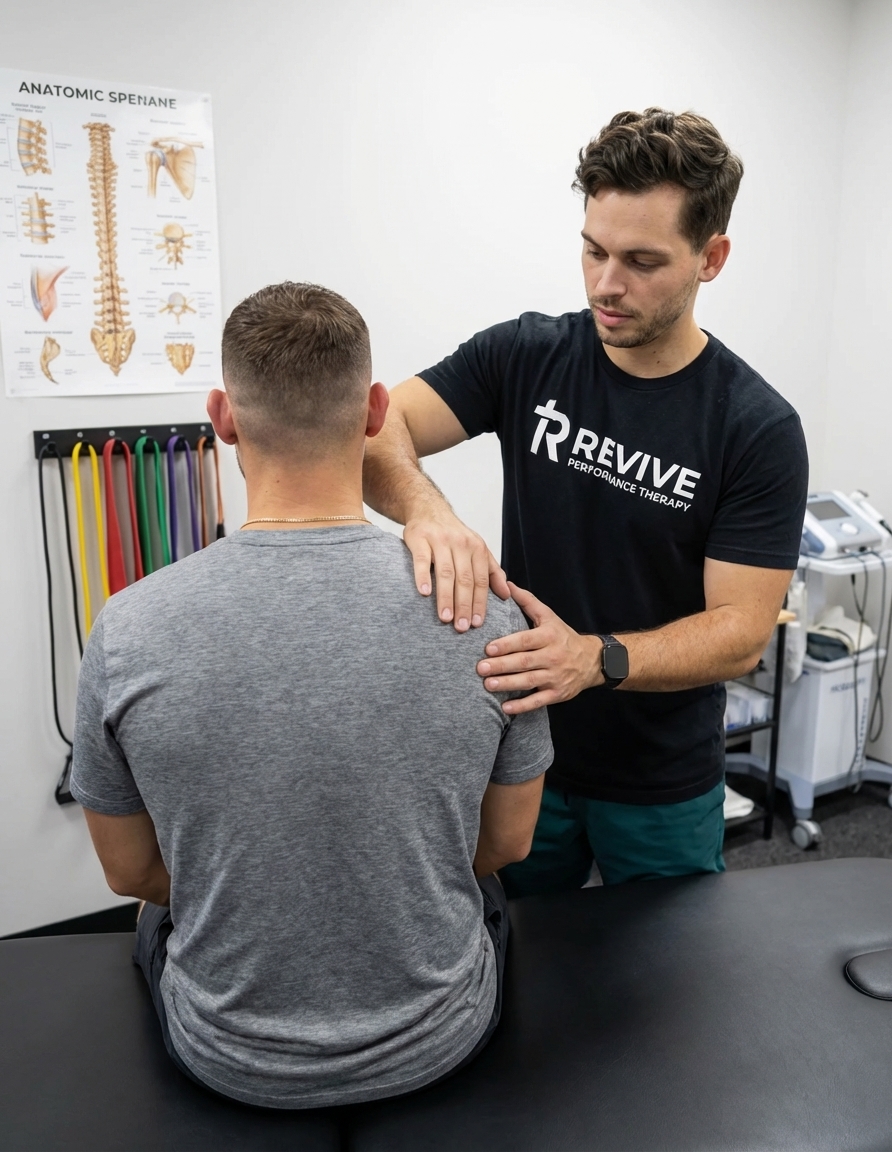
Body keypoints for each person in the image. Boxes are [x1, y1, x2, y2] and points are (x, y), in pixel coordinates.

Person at [70, 282, 552, 1109]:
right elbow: (505, 846)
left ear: (222, 418)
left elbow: (131, 872)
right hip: (440, 1037)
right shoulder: (487, 614)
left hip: (226, 1055)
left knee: (153, 925)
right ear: (374, 412)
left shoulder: (126, 628)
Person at [362, 108, 809, 895]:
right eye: (593, 250)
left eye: (641, 261)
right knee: (524, 974)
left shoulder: (753, 426)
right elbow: (374, 431)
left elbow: (740, 634)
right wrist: (429, 513)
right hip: (522, 756)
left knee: (665, 993)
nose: (607, 284)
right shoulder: (525, 356)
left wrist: (594, 659)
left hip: (660, 780)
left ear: (711, 258)